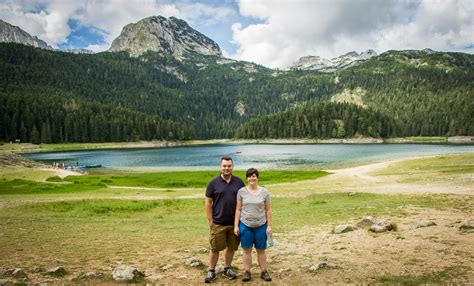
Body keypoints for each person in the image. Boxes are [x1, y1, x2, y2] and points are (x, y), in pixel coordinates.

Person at [204, 156, 245, 283]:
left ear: (232, 167)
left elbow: (244, 200)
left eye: (229, 166)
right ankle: (211, 271)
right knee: (215, 248)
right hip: (218, 223)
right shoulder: (212, 183)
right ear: (220, 167)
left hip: (235, 223)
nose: (227, 168)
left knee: (231, 247)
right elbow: (207, 203)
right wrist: (210, 221)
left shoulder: (239, 182)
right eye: (224, 166)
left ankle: (227, 268)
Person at [234, 168, 272, 282]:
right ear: (247, 178)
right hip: (245, 225)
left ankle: (264, 271)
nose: (252, 178)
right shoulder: (241, 191)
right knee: (247, 250)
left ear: (257, 178)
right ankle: (247, 272)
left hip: (261, 225)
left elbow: (268, 210)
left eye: (254, 176)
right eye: (250, 176)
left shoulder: (265, 192)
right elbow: (238, 210)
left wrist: (269, 226)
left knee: (261, 250)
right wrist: (236, 225)